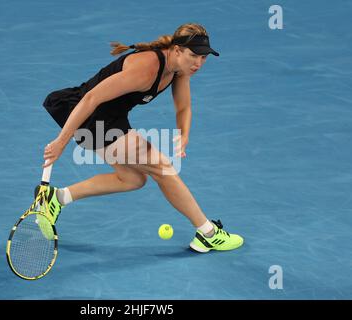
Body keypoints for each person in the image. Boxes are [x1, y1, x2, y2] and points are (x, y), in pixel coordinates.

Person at [39, 23, 243, 253]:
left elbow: (183, 107)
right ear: (177, 50)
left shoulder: (179, 69)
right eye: (194, 55)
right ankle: (208, 233)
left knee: (132, 179)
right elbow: (90, 99)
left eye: (204, 57)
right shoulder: (146, 69)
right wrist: (61, 142)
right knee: (162, 167)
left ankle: (57, 199)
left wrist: (183, 134)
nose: (199, 63)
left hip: (112, 117)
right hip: (90, 115)